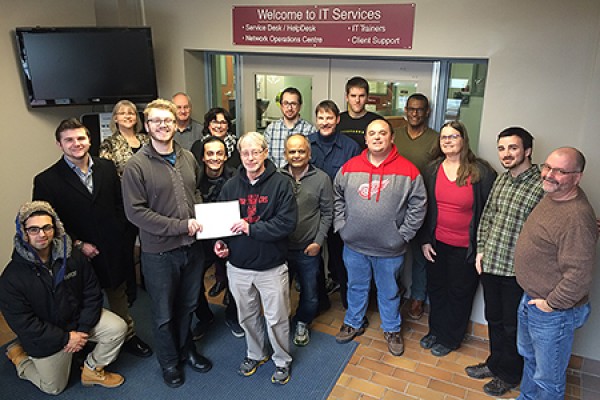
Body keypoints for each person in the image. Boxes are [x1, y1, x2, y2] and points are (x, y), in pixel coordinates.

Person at [33, 118, 152, 359]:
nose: (76, 144)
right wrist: (78, 244)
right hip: (74, 253)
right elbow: (49, 224)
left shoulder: (106, 168)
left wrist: (121, 232)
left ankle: (127, 335)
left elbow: (120, 203)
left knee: (117, 293)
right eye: (69, 140)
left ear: (89, 140)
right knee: (79, 300)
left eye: (81, 138)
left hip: (111, 245)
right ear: (59, 144)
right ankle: (83, 341)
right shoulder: (46, 180)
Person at [122, 98, 212, 388]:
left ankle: (187, 349)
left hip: (192, 248)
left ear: (176, 124)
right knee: (163, 313)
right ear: (146, 126)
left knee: (187, 305)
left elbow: (194, 191)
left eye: (168, 120)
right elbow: (136, 212)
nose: (163, 125)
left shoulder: (187, 157)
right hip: (159, 253)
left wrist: (201, 219)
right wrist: (180, 226)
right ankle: (170, 362)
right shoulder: (136, 166)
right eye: (156, 121)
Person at [0, 201, 126, 394]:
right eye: (34, 229)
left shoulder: (74, 257)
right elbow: (24, 323)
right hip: (46, 337)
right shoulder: (11, 278)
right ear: (24, 233)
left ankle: (91, 369)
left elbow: (92, 293)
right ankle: (20, 357)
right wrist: (65, 338)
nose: (42, 234)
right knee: (53, 388)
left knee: (118, 327)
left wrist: (82, 331)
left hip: (77, 323)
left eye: (46, 227)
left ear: (55, 227)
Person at [333, 119, 426, 356]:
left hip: (390, 248)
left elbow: (419, 205)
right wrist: (342, 226)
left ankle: (392, 329)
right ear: (365, 139)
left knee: (389, 291)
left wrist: (403, 235)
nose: (376, 137)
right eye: (371, 133)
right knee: (356, 287)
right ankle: (353, 322)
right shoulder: (349, 167)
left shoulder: (409, 170)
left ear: (391, 138)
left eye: (382, 133)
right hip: (354, 245)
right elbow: (337, 197)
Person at [464, 127, 543, 396]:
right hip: (492, 264)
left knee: (512, 327)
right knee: (494, 319)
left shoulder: (543, 184)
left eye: (513, 148)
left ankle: (509, 375)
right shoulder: (502, 179)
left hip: (517, 272)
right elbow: (486, 218)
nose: (506, 154)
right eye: (501, 148)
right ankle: (495, 364)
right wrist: (481, 252)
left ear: (528, 151)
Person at [214, 131, 297, 385]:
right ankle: (256, 353)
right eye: (245, 153)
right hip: (238, 266)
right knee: (247, 316)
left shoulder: (282, 183)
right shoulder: (230, 186)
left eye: (255, 152)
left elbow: (287, 224)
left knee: (277, 318)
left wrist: (251, 228)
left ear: (265, 153)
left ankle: (282, 360)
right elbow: (220, 223)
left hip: (271, 266)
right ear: (240, 155)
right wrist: (220, 242)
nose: (250, 157)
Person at [515, 147, 597, 400]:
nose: (549, 174)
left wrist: (550, 304)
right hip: (533, 299)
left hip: (553, 311)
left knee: (548, 380)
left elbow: (579, 276)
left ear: (577, 177)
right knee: (530, 361)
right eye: (547, 167)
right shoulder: (553, 195)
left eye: (560, 171)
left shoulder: (577, 218)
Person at [419, 120, 496, 357]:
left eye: (453, 136)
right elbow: (423, 208)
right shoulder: (432, 169)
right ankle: (435, 331)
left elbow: (489, 212)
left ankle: (450, 338)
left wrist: (482, 247)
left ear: (463, 140)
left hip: (466, 248)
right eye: (444, 137)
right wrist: (424, 240)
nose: (448, 141)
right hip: (436, 244)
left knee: (458, 294)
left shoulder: (481, 172)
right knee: (436, 289)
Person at [281, 134, 333, 346]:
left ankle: (302, 321)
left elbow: (328, 213)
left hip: (308, 248)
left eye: (301, 151)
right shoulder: (277, 177)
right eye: (292, 151)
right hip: (281, 248)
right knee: (279, 291)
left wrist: (318, 242)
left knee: (311, 294)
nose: (297, 155)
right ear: (285, 154)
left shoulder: (322, 179)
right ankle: (281, 324)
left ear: (309, 153)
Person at [308, 100, 361, 309]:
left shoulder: (351, 147)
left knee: (343, 261)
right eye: (321, 117)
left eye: (329, 117)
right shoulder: (306, 144)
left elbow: (357, 182)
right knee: (314, 260)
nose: (325, 122)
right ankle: (320, 301)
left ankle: (350, 305)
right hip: (313, 213)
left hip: (341, 213)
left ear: (337, 119)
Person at [191, 136, 244, 339]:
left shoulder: (236, 177)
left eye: (219, 153)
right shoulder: (192, 178)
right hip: (199, 239)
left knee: (235, 280)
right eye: (210, 153)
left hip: (229, 236)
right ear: (203, 157)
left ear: (226, 155)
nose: (215, 158)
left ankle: (232, 315)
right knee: (193, 282)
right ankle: (205, 317)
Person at [99, 99, 150, 306]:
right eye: (123, 113)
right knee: (127, 249)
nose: (128, 116)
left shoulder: (146, 140)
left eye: (131, 113)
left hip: (151, 201)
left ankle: (149, 282)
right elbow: (106, 177)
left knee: (149, 246)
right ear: (115, 118)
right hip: (125, 203)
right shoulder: (109, 144)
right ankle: (130, 289)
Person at [394, 93, 439, 321]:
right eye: (411, 109)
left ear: (427, 112)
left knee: (420, 256)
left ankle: (418, 298)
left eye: (419, 110)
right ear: (405, 110)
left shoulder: (435, 139)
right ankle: (395, 292)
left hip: (423, 205)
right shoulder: (395, 136)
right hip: (394, 205)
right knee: (393, 251)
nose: (414, 113)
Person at [264, 87, 316, 168]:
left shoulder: (310, 130)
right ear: (281, 105)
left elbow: (312, 159)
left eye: (293, 104)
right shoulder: (271, 129)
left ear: (300, 106)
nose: (289, 108)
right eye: (286, 103)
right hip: (276, 178)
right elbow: (266, 158)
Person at [337, 76, 382, 150]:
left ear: (367, 97)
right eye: (353, 96)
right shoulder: (338, 120)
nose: (357, 100)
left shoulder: (377, 122)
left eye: (361, 96)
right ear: (347, 97)